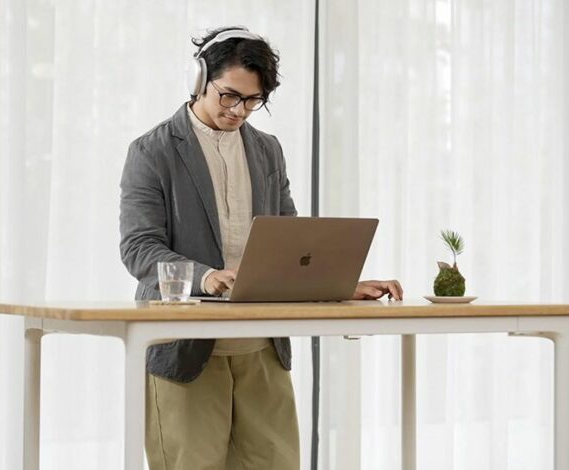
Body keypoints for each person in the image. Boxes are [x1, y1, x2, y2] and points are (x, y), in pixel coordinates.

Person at [119, 26, 403, 470]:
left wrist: (344, 285)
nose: (239, 111)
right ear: (199, 80)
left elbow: (290, 243)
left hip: (263, 346)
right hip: (186, 349)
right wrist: (207, 277)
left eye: (253, 101)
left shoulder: (268, 150)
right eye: (230, 96)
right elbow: (139, 248)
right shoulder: (152, 151)